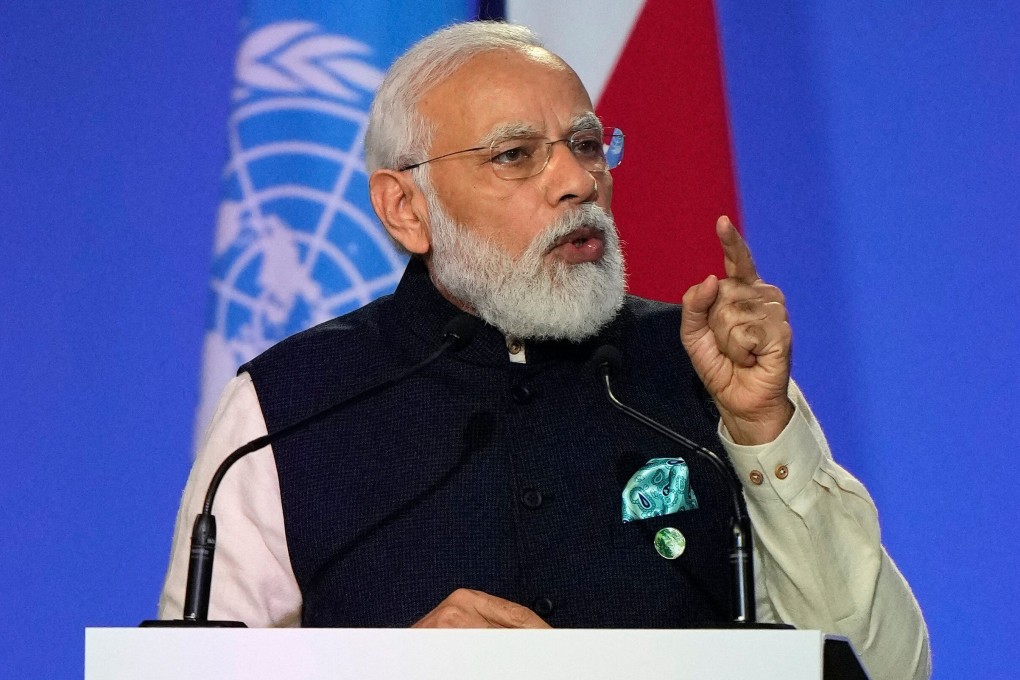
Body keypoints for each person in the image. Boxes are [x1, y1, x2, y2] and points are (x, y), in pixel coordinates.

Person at [159, 21, 930, 679]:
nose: (576, 181)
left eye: (588, 145)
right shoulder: (287, 407)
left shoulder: (704, 369)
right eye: (515, 156)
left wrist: (765, 434)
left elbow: (882, 664)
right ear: (405, 208)